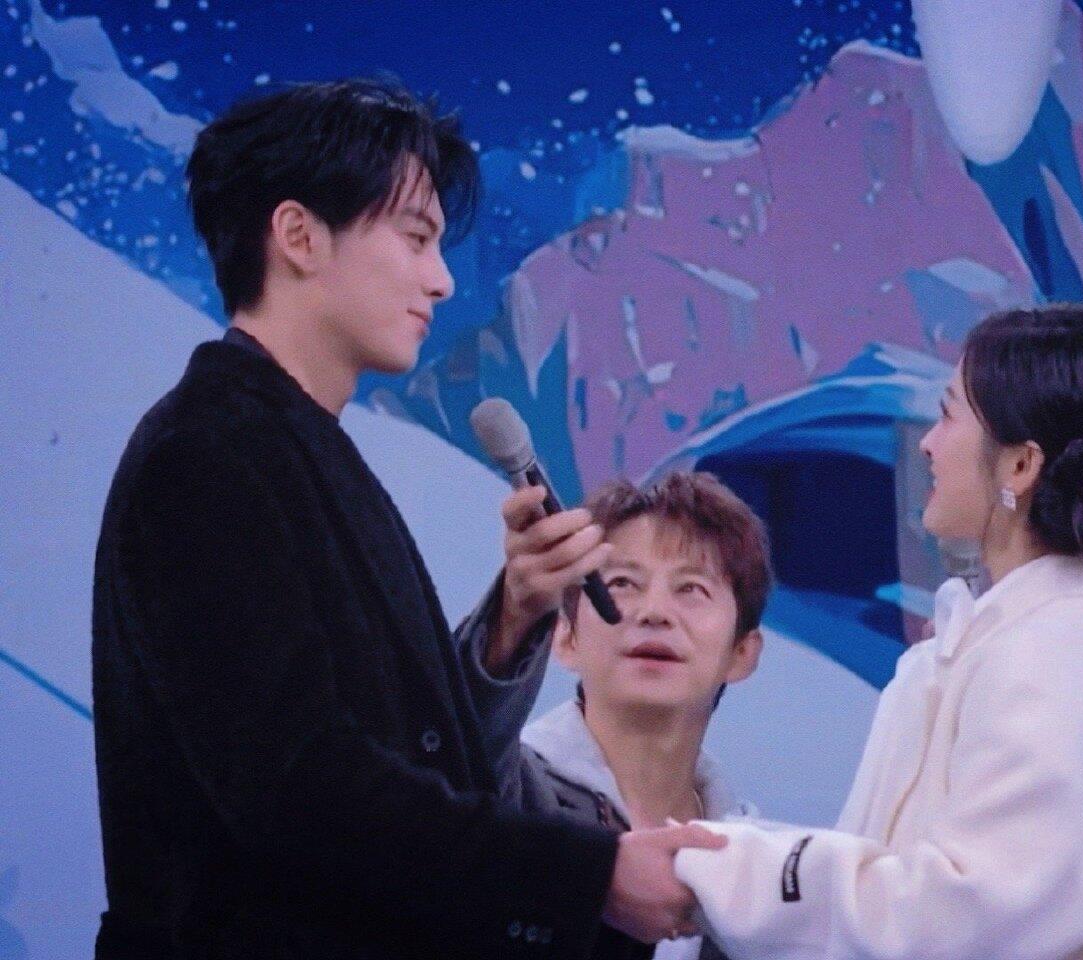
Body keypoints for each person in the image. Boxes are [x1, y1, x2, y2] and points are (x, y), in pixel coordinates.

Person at [90, 77, 720, 960]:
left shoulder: (292, 445)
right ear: (299, 235)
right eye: (417, 238)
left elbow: (391, 763)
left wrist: (513, 619)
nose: (442, 279)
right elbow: (301, 791)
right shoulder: (208, 455)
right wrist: (590, 876)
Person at [672, 304, 1083, 960]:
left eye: (950, 415)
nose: (927, 443)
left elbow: (955, 917)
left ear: (1019, 467)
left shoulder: (1057, 660)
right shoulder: (1007, 641)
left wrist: (722, 870)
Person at [460, 471, 770, 960]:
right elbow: (453, 748)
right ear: (565, 637)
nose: (654, 612)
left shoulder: (761, 874)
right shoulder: (507, 795)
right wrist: (515, 614)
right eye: (622, 583)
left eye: (691, 589)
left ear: (742, 653)